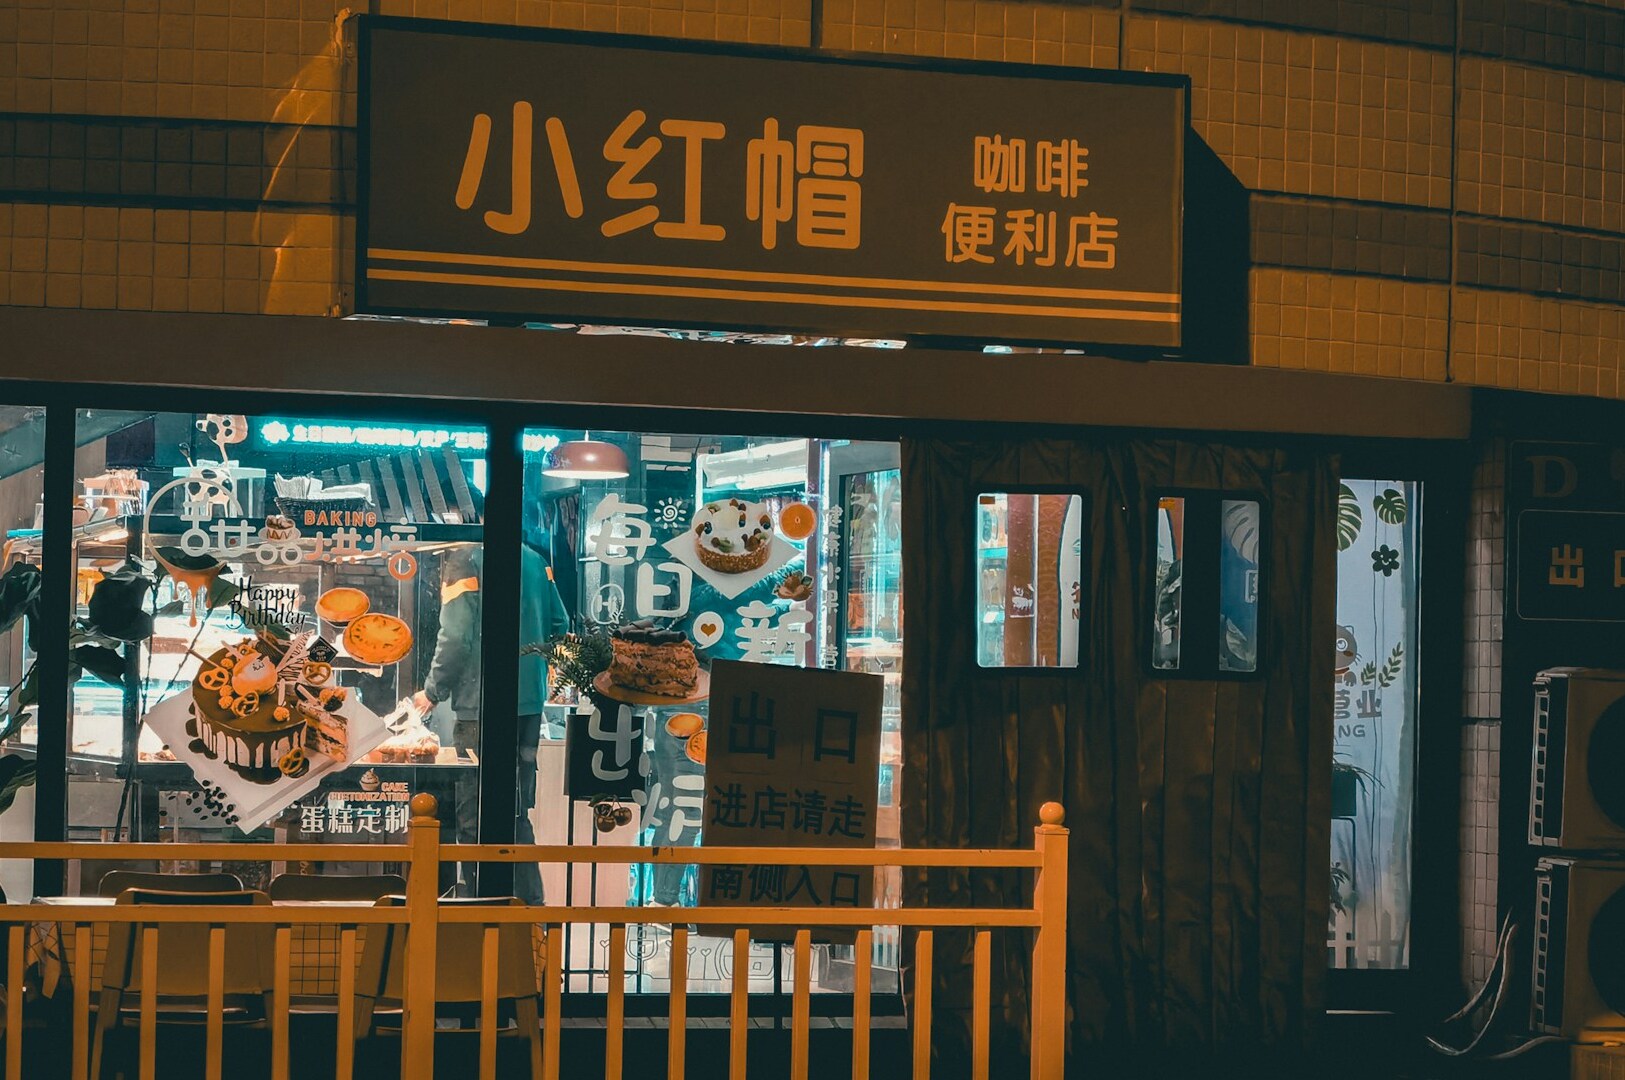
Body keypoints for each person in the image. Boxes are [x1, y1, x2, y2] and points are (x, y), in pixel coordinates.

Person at [413, 542, 570, 902]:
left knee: (474, 815)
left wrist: (433, 691)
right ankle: (531, 911)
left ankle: (478, 909)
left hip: (479, 707)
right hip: (529, 704)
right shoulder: (534, 559)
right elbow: (560, 623)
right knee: (516, 813)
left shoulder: (465, 561)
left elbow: (456, 635)